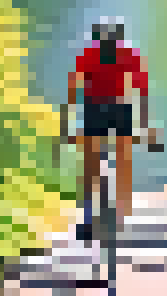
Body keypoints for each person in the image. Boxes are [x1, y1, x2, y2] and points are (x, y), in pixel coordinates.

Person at [61, 16, 152, 242]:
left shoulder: (88, 54)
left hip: (94, 110)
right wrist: (144, 125)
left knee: (90, 165)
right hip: (120, 110)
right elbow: (141, 91)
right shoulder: (130, 54)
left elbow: (73, 89)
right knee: (123, 160)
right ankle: (121, 214)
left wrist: (67, 125)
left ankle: (88, 217)